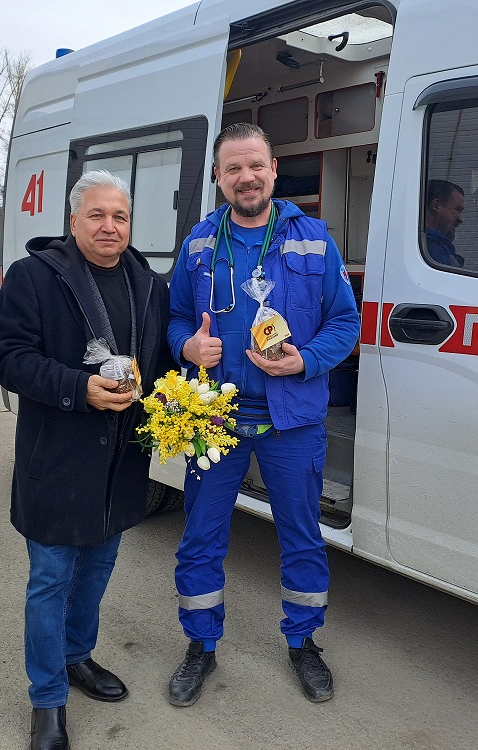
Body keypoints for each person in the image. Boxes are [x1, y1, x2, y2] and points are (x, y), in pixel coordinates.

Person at [165, 123, 361, 707]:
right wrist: (188, 346)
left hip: (291, 419)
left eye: (255, 166)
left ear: (274, 170)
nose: (246, 177)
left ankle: (303, 643)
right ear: (218, 177)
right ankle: (201, 645)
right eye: (233, 168)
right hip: (214, 418)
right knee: (201, 537)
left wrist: (307, 359)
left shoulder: (314, 240)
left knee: (301, 536)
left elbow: (345, 323)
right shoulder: (199, 245)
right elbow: (176, 319)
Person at [0, 170, 173, 750]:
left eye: (120, 216)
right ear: (73, 221)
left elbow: (159, 362)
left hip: (120, 466)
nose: (109, 226)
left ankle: (76, 656)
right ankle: (47, 700)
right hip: (58, 460)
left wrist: (187, 362)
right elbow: (8, 357)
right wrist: (79, 387)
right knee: (50, 580)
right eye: (97, 215)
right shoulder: (34, 277)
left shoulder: (149, 285)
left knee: (96, 571)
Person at [424, 179, 466, 267]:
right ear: (437, 205)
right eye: (457, 210)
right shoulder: (431, 250)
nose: (460, 219)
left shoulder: (422, 247)